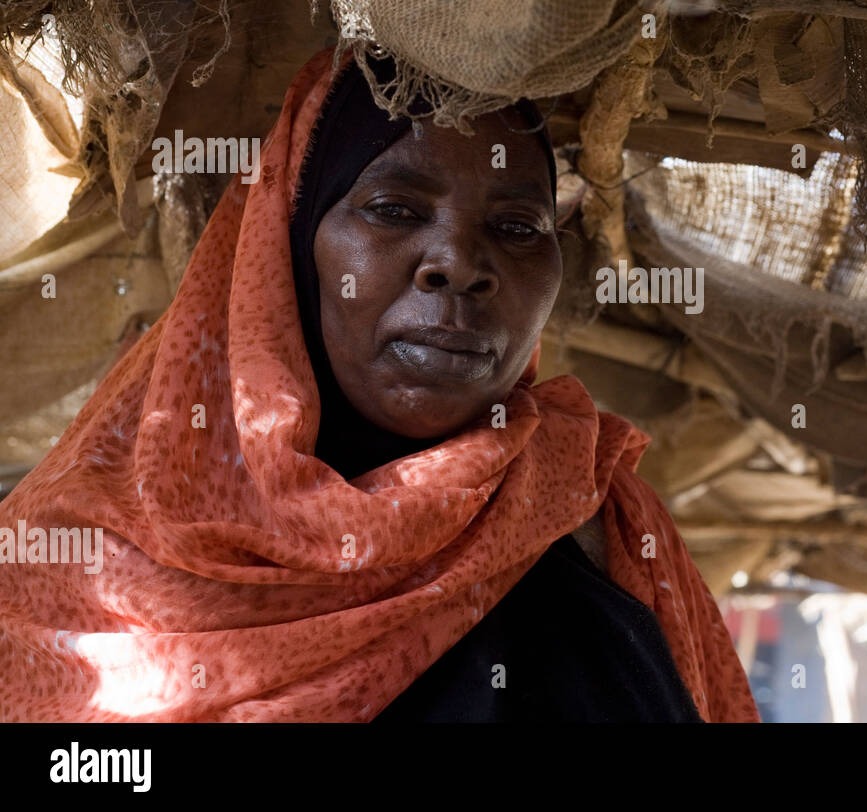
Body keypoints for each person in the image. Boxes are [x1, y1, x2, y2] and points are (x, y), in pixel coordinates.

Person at [0, 48, 760, 722]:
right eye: (394, 209)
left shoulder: (596, 518)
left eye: (520, 227)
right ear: (287, 251)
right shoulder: (74, 564)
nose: (458, 264)